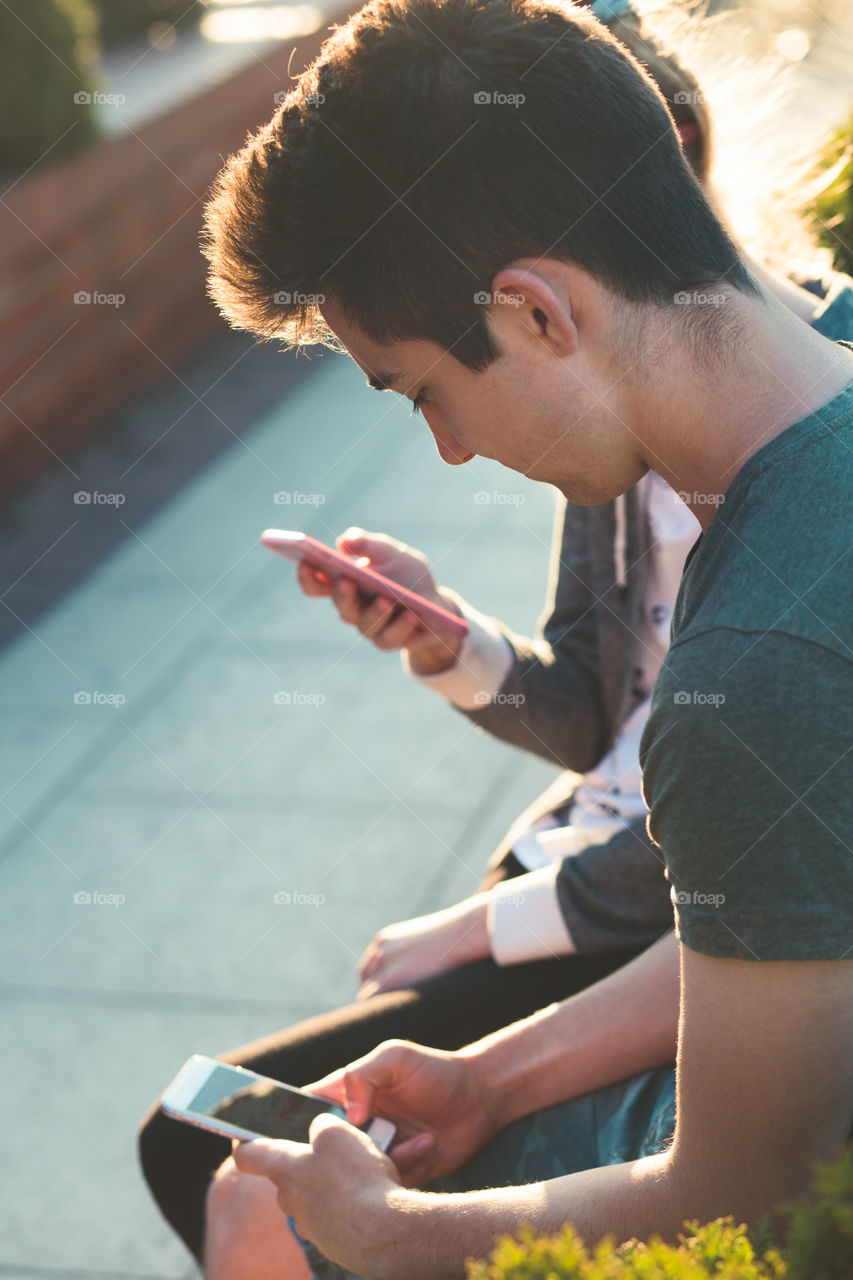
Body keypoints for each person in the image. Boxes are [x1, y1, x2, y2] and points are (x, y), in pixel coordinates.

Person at [147, 0, 853, 1274]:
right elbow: (784, 916)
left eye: (426, 391)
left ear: (536, 312)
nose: (452, 448)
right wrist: (486, 1077)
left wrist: (384, 1231)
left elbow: (748, 1192)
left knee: (263, 1206)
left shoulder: (755, 664)